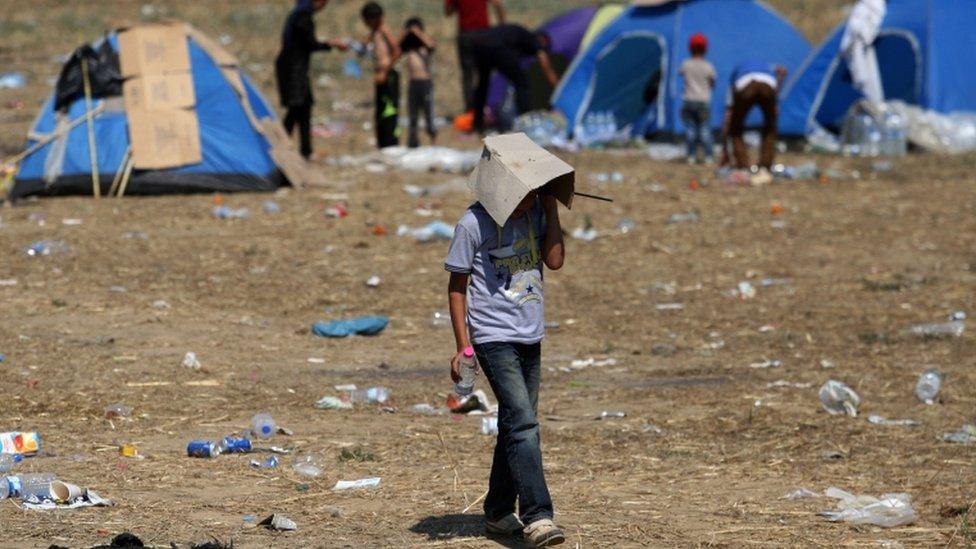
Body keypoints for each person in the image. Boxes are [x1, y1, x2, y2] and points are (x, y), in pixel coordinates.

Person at [444, 188, 566, 547]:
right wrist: (462, 346)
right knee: (525, 423)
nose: (524, 203)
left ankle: (498, 512)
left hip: (530, 335)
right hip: (492, 338)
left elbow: (555, 260)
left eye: (531, 196)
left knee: (516, 422)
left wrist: (550, 207)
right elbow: (457, 287)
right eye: (521, 197)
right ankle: (538, 516)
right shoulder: (472, 224)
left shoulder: (534, 214)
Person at [275, 0, 347, 160]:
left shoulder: (300, 13)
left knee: (304, 107)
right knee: (296, 108)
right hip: (293, 68)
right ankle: (280, 146)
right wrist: (330, 44)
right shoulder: (302, 15)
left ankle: (305, 150)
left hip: (296, 67)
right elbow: (308, 43)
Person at [469, 24, 558, 134]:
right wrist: (558, 88)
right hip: (496, 47)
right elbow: (544, 61)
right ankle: (525, 123)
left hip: (478, 45)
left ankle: (477, 125)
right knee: (522, 83)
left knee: (483, 85)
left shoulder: (518, 35)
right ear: (542, 40)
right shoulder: (532, 39)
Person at [721, 60, 788, 180]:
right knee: (770, 127)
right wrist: (774, 104)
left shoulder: (738, 71)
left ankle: (743, 165)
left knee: (736, 128)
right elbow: (781, 74)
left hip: (745, 85)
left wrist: (726, 141)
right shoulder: (768, 67)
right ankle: (765, 166)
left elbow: (729, 109)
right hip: (768, 86)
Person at [445, 0, 505, 113]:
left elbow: (448, 12)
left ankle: (471, 111)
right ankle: (486, 108)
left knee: (468, 75)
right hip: (484, 34)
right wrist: (503, 25)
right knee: (485, 73)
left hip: (466, 34)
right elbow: (497, 4)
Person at [361, 2, 401, 148]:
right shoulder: (375, 31)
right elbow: (367, 45)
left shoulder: (384, 30)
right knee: (379, 112)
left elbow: (396, 51)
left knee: (388, 111)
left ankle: (391, 143)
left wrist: (385, 71)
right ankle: (382, 143)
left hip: (389, 75)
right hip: (380, 76)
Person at [678, 33, 716, 165]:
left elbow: (680, 73)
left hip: (688, 101)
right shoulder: (708, 66)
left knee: (690, 131)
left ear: (690, 48)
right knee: (705, 130)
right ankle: (709, 156)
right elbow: (712, 83)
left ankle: (691, 156)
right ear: (705, 48)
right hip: (703, 101)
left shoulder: (686, 64)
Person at [400, 17, 437, 148]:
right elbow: (397, 46)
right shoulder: (408, 48)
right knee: (413, 116)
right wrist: (406, 33)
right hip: (413, 84)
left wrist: (418, 32)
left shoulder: (425, 47)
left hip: (425, 83)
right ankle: (412, 142)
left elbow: (432, 45)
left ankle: (433, 141)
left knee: (429, 114)